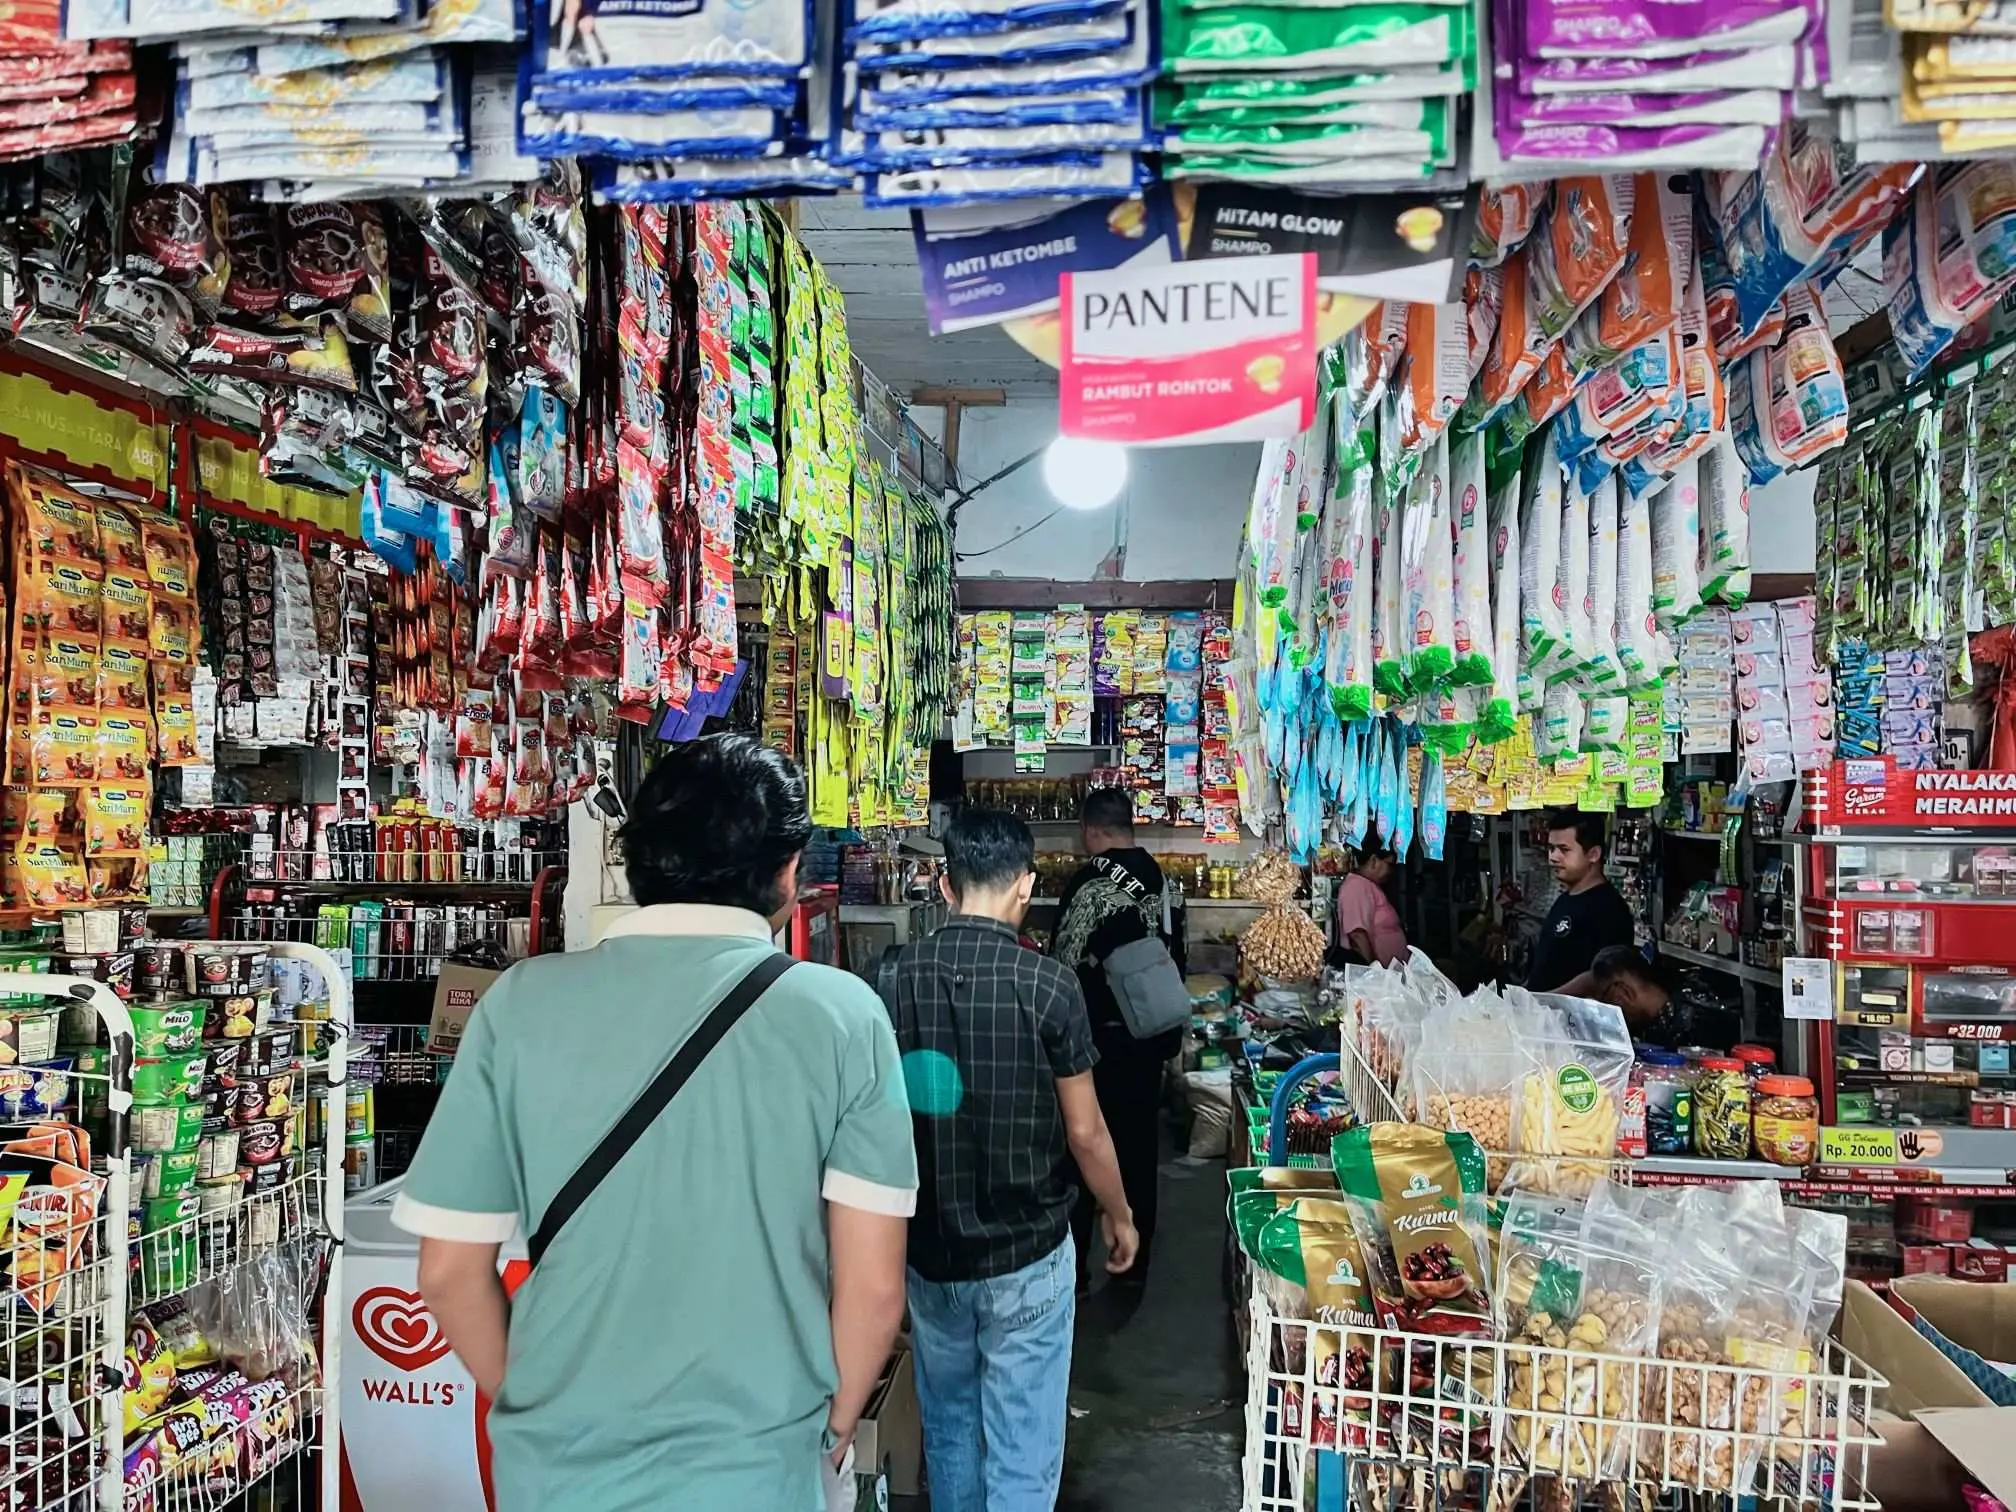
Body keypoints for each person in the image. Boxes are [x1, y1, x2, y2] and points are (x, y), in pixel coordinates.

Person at [397, 734, 917, 1512]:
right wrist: (833, 1426)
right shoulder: (842, 1016)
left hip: (558, 1470)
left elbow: (445, 1274)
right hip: (757, 1465)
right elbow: (874, 1288)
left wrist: (546, 1408)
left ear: (638, 861)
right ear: (787, 871)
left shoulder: (520, 1004)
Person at [884, 807, 1139, 1511]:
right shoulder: (1050, 987)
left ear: (943, 884)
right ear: (1026, 886)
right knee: (1023, 1447)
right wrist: (1119, 1214)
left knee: (952, 1429)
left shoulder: (894, 979)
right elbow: (1086, 1133)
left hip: (931, 1251)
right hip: (1028, 1250)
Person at [1050, 787, 1183, 1288]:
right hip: (1148, 1037)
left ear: (1090, 830)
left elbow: (1064, 960)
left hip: (1096, 1044)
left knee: (1084, 1147)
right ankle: (1135, 1262)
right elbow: (1177, 952)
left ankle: (1076, 1270)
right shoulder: (1163, 878)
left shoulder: (1088, 882)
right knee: (1138, 1150)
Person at [1526, 810, 1638, 995]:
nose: (1553, 857)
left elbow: (1599, 977)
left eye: (1564, 849)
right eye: (1551, 848)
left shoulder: (1608, 910)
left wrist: (1546, 1000)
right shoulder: (1565, 900)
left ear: (1593, 854)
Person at [1589, 945, 1741, 1051]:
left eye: (1605, 1000)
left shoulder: (1697, 1020)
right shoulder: (1651, 1026)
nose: (1608, 1012)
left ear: (1623, 993)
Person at [1333, 837, 1407, 966]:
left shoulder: (1367, 886)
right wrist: (1371, 972)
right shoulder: (1356, 886)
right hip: (1376, 978)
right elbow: (1357, 935)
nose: (1390, 871)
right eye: (1389, 864)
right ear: (1374, 861)